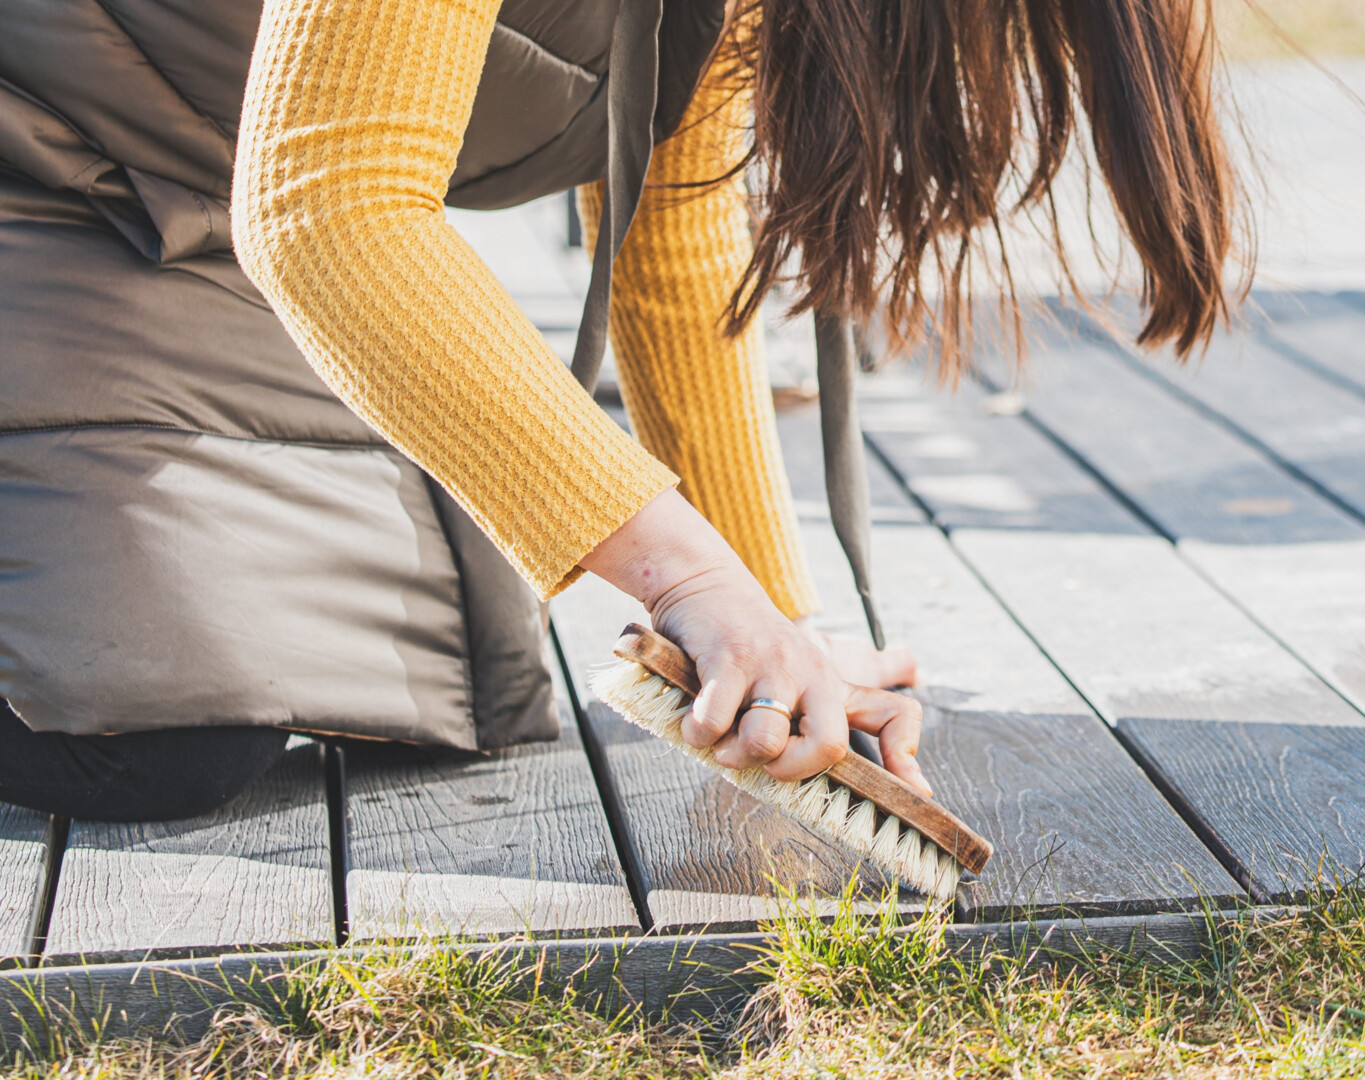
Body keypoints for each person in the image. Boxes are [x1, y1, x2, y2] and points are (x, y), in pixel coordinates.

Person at [0, 0, 1243, 821]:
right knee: (138, 730)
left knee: (411, 675)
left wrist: (769, 625)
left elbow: (670, 230)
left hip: (180, 191)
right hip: (52, 150)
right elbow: (331, 207)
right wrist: (684, 579)